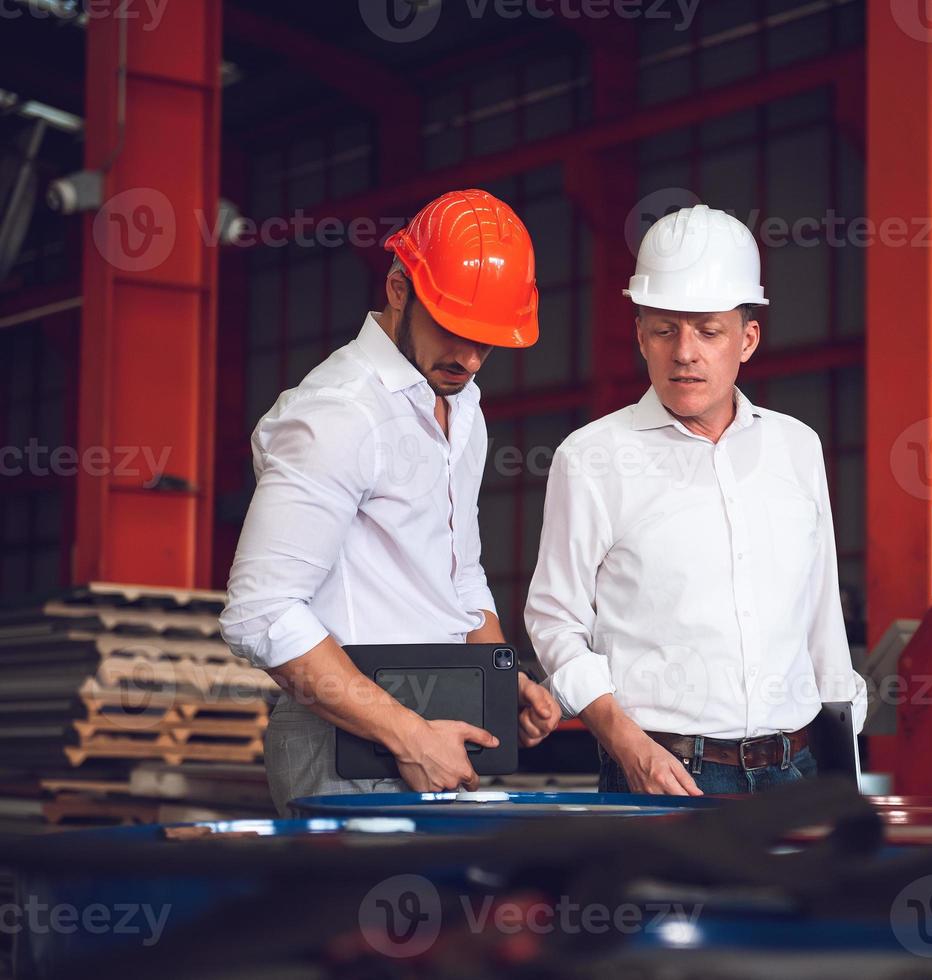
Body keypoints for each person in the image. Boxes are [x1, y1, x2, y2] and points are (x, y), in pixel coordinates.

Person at [221, 189, 560, 813]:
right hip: (346, 739)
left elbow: (458, 571)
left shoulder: (462, 405)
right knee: (352, 914)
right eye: (454, 330)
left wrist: (497, 674)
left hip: (440, 724)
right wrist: (405, 732)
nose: (469, 357)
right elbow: (260, 612)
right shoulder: (339, 413)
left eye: (487, 342)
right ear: (400, 289)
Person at [525, 204, 866, 796]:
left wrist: (842, 761)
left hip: (799, 772)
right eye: (664, 329)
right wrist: (630, 749)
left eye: (708, 331)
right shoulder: (592, 458)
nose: (685, 351)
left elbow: (822, 619)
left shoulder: (796, 449)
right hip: (664, 776)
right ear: (640, 335)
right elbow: (554, 620)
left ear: (747, 339)